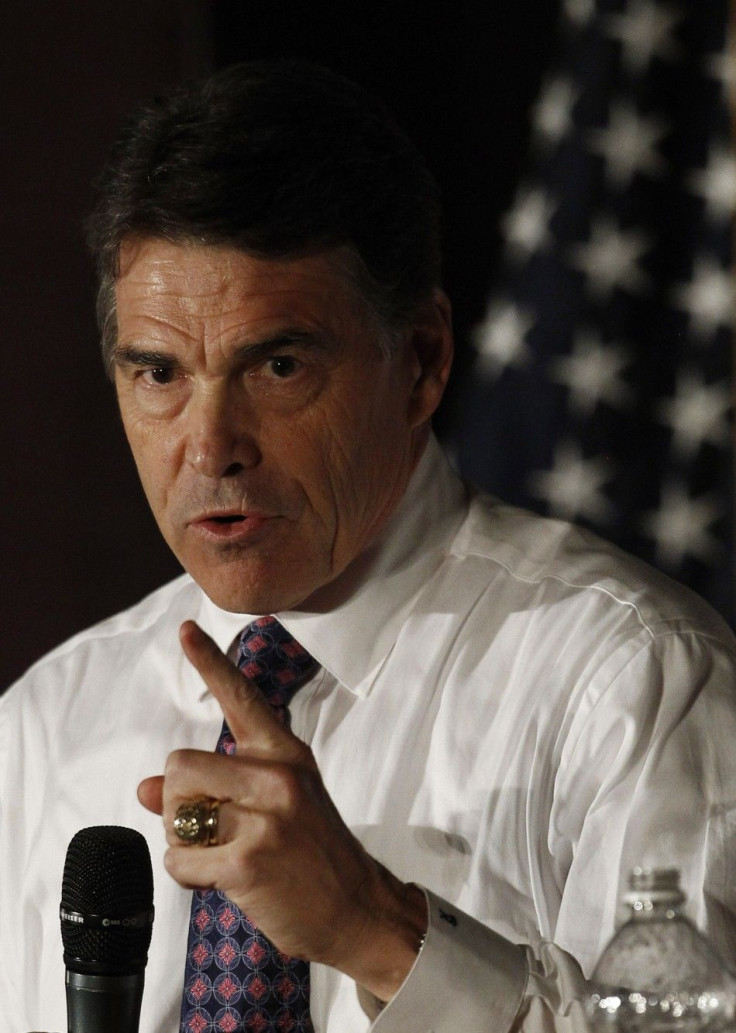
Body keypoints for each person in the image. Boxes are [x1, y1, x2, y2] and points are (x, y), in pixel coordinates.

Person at [2, 59, 736, 1033]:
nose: (211, 445)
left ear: (422, 361)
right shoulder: (47, 724)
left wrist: (375, 928)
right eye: (159, 373)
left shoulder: (634, 682)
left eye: (277, 364)